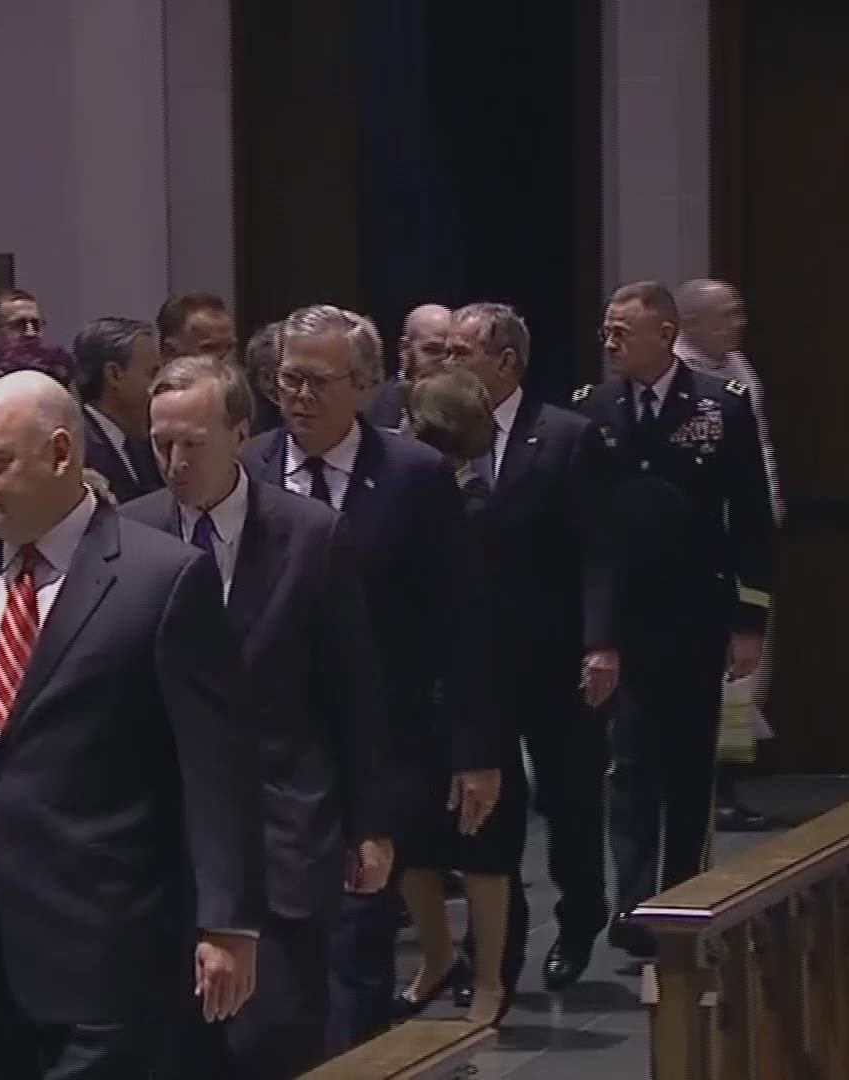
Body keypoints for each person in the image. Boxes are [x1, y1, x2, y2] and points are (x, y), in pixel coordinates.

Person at [0, 371, 264, 1078]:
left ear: (63, 452)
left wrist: (228, 922)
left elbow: (215, 768)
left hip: (113, 949)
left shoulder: (161, 578)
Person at [124, 355, 392, 1077]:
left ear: (240, 432)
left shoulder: (312, 535)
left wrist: (368, 822)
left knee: (275, 1042)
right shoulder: (125, 535)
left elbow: (353, 691)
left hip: (284, 829)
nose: (175, 463)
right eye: (160, 444)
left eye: (192, 443)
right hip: (165, 840)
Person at [242, 304, 481, 1052]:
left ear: (369, 384)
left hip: (380, 750)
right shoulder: (243, 468)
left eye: (320, 381)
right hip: (266, 756)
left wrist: (477, 748)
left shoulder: (414, 476)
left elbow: (460, 622)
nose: (301, 397)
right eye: (288, 380)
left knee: (358, 947)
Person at [574, 281, 774, 959]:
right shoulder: (595, 411)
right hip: (628, 619)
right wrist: (596, 635)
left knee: (690, 769)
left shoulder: (721, 407)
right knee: (630, 769)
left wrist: (750, 621)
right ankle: (631, 906)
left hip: (696, 613)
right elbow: (593, 537)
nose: (608, 344)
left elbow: (749, 518)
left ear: (663, 334)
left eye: (621, 333)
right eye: (605, 331)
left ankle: (683, 897)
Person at [446, 303, 617, 992]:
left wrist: (601, 641)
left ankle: (580, 916)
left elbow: (599, 549)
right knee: (487, 805)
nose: (448, 366)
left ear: (505, 362)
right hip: (473, 659)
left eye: (462, 353)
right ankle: (495, 949)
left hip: (553, 650)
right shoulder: (435, 435)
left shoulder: (567, 436)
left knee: (570, 795)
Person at [393, 368, 526, 1034]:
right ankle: (438, 957)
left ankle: (489, 979)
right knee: (412, 840)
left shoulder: (480, 507)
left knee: (482, 845)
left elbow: (484, 621)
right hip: (413, 692)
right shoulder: (409, 494)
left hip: (478, 692)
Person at [675, 278, 783, 831]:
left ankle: (727, 783)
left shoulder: (742, 375)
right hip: (697, 549)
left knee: (742, 671)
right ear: (693, 322)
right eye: (728, 314)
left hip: (744, 539)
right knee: (702, 671)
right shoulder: (675, 377)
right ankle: (698, 787)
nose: (738, 324)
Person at [72, 317, 165, 504]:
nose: (161, 386)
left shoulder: (146, 445)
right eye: (152, 374)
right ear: (115, 374)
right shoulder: (77, 449)